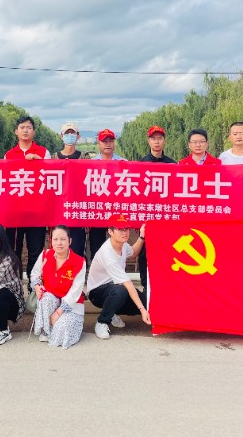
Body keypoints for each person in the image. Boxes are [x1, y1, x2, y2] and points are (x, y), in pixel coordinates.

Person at [87, 213, 150, 339]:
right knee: (121, 291)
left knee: (146, 303)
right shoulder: (107, 253)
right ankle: (102, 322)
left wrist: (142, 236)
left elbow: (133, 253)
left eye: (126, 229)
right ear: (110, 231)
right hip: (97, 292)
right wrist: (142, 310)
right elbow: (128, 283)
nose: (124, 232)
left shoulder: (123, 244)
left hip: (115, 288)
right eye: (120, 229)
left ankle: (112, 311)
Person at [4, 115, 51, 280]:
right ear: (16, 132)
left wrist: (40, 163)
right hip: (15, 214)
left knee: (35, 252)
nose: (25, 131)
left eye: (28, 127)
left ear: (34, 132)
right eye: (22, 127)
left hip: (37, 213)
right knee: (13, 252)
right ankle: (14, 285)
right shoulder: (9, 155)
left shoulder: (43, 153)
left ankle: (34, 286)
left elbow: (52, 178)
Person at [29, 225, 86, 349]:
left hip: (70, 305)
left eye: (63, 239)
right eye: (55, 239)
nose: (59, 243)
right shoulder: (45, 255)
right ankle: (46, 330)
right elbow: (35, 274)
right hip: (52, 300)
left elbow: (75, 292)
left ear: (70, 241)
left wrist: (58, 312)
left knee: (61, 331)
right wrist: (37, 286)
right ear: (51, 241)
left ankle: (56, 325)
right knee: (46, 297)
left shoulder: (80, 262)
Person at [137, 125, 175, 294]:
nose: (157, 142)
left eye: (160, 138)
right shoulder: (141, 164)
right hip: (147, 215)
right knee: (144, 252)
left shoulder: (172, 164)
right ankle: (146, 286)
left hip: (165, 216)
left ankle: (165, 285)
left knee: (165, 252)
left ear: (164, 141)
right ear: (149, 141)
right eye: (153, 138)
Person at [89, 128, 125, 260]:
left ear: (114, 143)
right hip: (97, 210)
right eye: (104, 141)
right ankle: (97, 270)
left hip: (116, 210)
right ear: (99, 143)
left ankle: (117, 270)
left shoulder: (123, 163)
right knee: (96, 245)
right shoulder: (91, 164)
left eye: (110, 141)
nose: (107, 144)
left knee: (117, 245)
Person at [55, 122, 88, 258]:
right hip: (59, 211)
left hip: (77, 210)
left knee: (77, 248)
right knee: (59, 247)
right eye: (67, 133)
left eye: (72, 133)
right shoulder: (54, 158)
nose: (69, 136)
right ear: (61, 136)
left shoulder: (85, 158)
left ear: (78, 136)